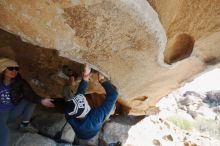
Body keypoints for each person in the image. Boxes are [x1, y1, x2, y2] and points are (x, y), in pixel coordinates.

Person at [0, 58, 55, 146]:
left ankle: (24, 125)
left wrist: (41, 100)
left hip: (11, 113)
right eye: (10, 68)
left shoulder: (19, 82)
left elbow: (30, 94)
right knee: (4, 132)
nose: (14, 71)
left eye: (16, 69)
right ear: (3, 69)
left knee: (30, 100)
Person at [65, 64, 118, 146]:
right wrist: (102, 79)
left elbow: (80, 94)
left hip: (81, 133)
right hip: (91, 129)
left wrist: (85, 76)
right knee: (112, 108)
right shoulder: (97, 117)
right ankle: (72, 78)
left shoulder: (68, 112)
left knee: (67, 92)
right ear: (88, 107)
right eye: (85, 101)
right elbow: (113, 95)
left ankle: (72, 77)